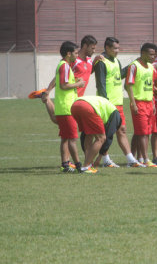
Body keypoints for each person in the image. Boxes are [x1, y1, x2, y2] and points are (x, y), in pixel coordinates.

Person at [94, 37, 143, 168]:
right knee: (105, 133)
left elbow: (119, 75)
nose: (117, 51)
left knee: (122, 130)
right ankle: (106, 160)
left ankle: (131, 160)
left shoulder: (116, 61)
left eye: (118, 48)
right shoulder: (101, 62)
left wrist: (133, 64)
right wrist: (105, 102)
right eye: (115, 48)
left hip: (118, 103)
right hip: (108, 104)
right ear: (107, 48)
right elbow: (101, 84)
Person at [34, 35, 99, 125]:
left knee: (66, 122)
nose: (94, 51)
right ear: (85, 46)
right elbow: (59, 76)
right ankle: (46, 98)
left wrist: (96, 60)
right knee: (60, 121)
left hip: (79, 97)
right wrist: (48, 90)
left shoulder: (89, 60)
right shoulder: (73, 60)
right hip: (69, 97)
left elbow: (88, 72)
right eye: (92, 48)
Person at [126, 42, 157, 168]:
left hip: (149, 104)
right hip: (138, 103)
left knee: (141, 132)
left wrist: (153, 102)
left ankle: (134, 159)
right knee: (143, 133)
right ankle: (146, 159)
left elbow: (152, 86)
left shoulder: (151, 67)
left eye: (154, 55)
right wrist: (133, 103)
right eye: (150, 54)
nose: (153, 57)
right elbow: (128, 85)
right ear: (143, 53)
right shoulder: (134, 66)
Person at [54, 41, 85, 173]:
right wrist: (79, 84)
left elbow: (65, 84)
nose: (77, 56)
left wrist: (75, 82)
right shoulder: (65, 66)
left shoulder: (63, 65)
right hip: (66, 108)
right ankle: (79, 166)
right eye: (76, 53)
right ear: (68, 53)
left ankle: (65, 164)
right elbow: (63, 85)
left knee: (65, 138)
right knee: (72, 138)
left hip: (63, 107)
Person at [70, 96, 122, 174]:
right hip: (88, 107)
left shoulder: (109, 109)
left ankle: (87, 164)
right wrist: (99, 158)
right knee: (101, 138)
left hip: (75, 105)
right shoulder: (116, 116)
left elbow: (84, 136)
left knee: (89, 135)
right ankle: (86, 166)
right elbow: (108, 138)